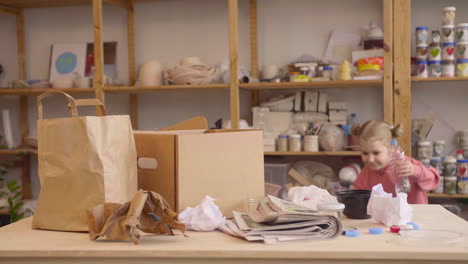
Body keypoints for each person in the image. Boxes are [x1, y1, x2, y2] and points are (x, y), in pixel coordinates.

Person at [351, 120, 440, 204]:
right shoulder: (367, 171)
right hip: (384, 217)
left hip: (415, 215)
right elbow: (358, 194)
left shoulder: (406, 164)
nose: (370, 159)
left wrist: (415, 171)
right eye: (365, 153)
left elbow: (434, 181)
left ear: (390, 148)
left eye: (376, 153)